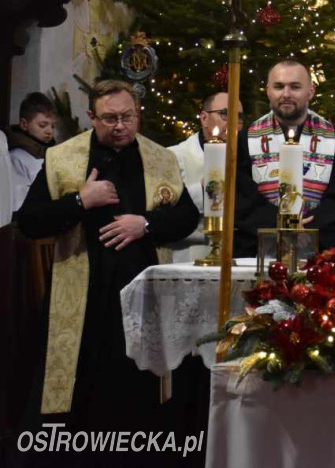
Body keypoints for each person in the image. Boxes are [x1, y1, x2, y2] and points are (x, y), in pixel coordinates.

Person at [17, 79, 199, 424]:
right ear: (92, 117)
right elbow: (30, 222)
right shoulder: (62, 158)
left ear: (138, 114)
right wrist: (80, 201)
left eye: (127, 117)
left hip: (144, 291)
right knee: (82, 396)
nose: (120, 126)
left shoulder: (161, 159)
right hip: (84, 298)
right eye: (110, 118)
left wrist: (144, 224)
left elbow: (186, 217)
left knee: (139, 398)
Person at [235, 59, 335, 255]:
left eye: (295, 87)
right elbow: (240, 197)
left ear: (310, 91)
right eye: (279, 87)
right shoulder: (244, 141)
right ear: (268, 91)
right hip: (260, 249)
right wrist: (279, 222)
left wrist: (307, 229)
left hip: (320, 250)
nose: (286, 94)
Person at [167, 91, 243, 260]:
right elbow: (166, 214)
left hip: (237, 256)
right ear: (204, 118)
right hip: (190, 256)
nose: (234, 123)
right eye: (225, 114)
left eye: (239, 117)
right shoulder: (173, 156)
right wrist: (203, 189)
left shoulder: (246, 159)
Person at [8, 92, 58, 211]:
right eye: (42, 125)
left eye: (52, 126)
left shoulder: (53, 154)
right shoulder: (16, 157)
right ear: (24, 124)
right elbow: (19, 204)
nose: (49, 131)